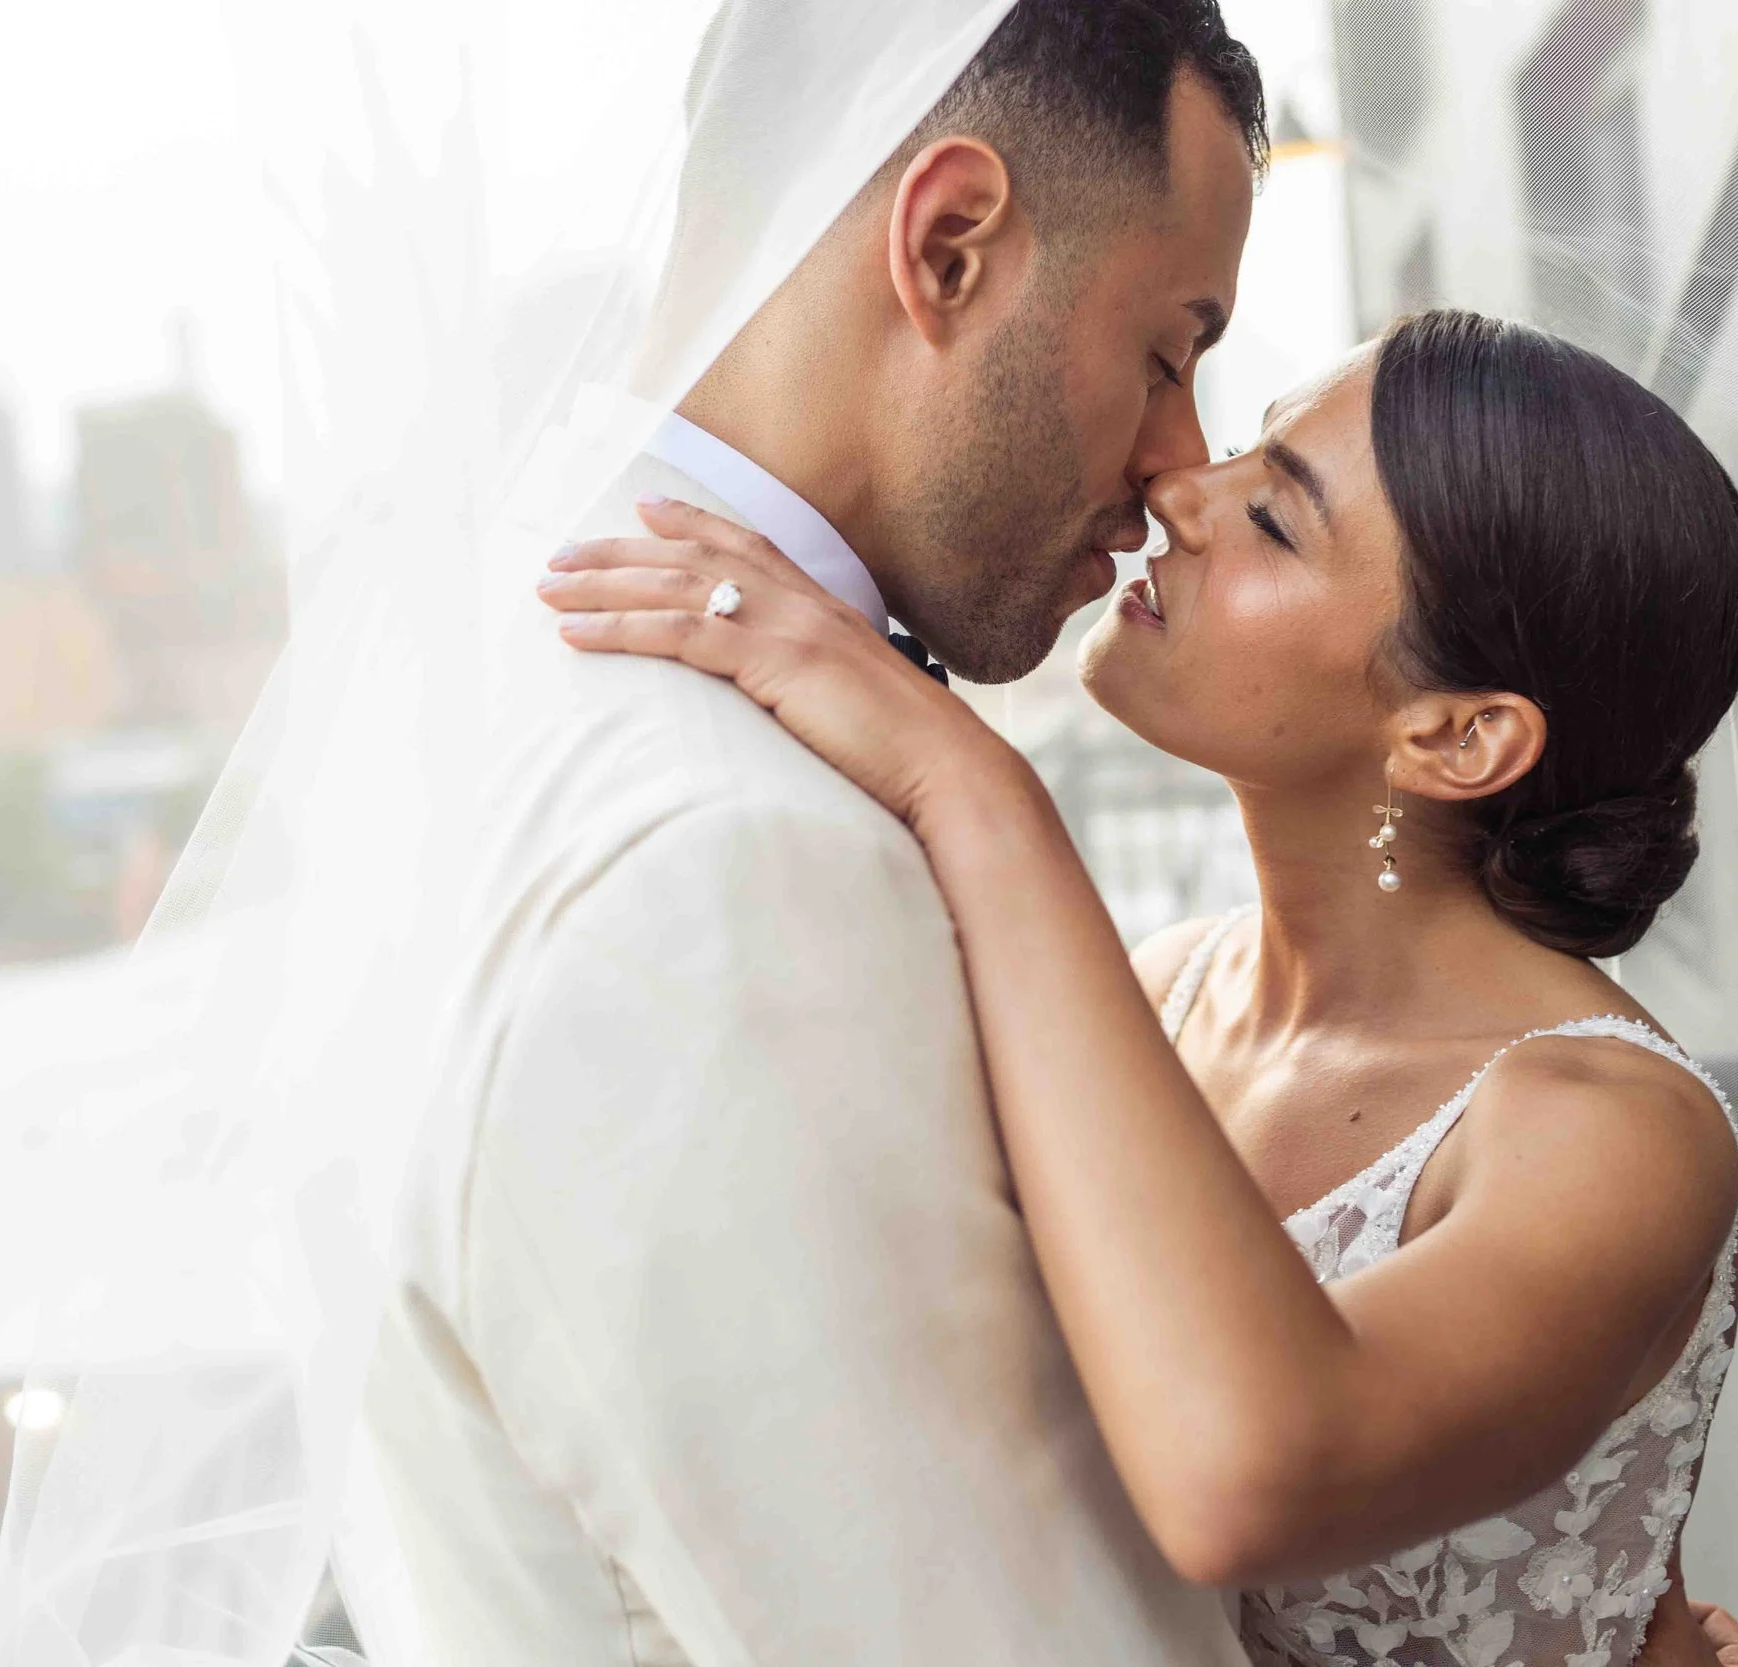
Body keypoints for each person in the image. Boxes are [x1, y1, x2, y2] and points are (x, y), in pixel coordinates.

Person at [537, 307, 1738, 1666]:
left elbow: (1258, 1472)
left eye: (1278, 520)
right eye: (1243, 450)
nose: (1176, 492)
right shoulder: (1163, 993)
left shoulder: (1611, 1127)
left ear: (1457, 734)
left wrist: (980, 793)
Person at [349, 5, 1271, 1663]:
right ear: (951, 243)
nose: (1181, 464)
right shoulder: (723, 872)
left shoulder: (473, 675)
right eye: (1165, 351)